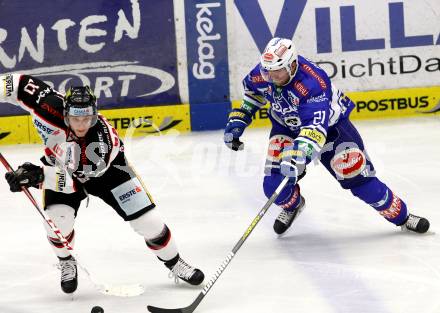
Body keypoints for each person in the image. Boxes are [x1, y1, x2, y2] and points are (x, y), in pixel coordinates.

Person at [0, 74, 204, 294]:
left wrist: (36, 177)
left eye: (87, 119)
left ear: (94, 115)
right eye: (76, 119)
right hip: (60, 165)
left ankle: (174, 262)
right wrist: (34, 176)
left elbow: (72, 182)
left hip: (109, 173)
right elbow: (14, 83)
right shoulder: (47, 104)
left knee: (149, 223)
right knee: (57, 223)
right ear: (65, 113)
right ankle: (66, 260)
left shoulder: (100, 142)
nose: (81, 125)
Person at [224, 37, 430, 235]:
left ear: (292, 65)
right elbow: (253, 94)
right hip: (285, 127)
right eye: (268, 71)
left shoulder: (313, 82)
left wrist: (299, 156)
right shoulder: (265, 72)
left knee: (359, 180)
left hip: (332, 130)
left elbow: (315, 128)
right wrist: (239, 119)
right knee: (273, 186)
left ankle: (403, 217)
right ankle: (294, 206)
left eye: (277, 71)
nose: (271, 77)